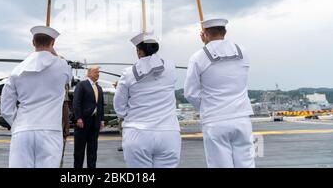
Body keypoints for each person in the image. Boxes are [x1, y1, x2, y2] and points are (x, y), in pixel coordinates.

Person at [184, 19, 255, 168]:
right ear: (225, 32)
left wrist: (206, 106)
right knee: (246, 164)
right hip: (242, 118)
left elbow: (190, 93)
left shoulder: (198, 57)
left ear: (204, 34)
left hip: (215, 120)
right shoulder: (242, 52)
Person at [1, 26, 72, 168]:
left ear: (33, 42)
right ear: (53, 43)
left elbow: (6, 107)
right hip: (50, 130)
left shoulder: (17, 70)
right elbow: (67, 76)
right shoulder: (62, 66)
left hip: (22, 130)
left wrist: (17, 124)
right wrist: (52, 51)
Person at [114, 33, 181, 168]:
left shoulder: (128, 73)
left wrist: (132, 115)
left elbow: (119, 107)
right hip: (168, 133)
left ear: (139, 51)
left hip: (137, 133)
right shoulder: (170, 67)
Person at [73, 67, 105, 168]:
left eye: (98, 72)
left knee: (93, 150)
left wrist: (102, 120)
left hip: (95, 122)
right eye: (96, 72)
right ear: (89, 73)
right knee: (79, 151)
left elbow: (100, 105)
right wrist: (78, 118)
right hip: (82, 122)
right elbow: (76, 102)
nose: (98, 74)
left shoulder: (99, 88)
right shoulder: (82, 85)